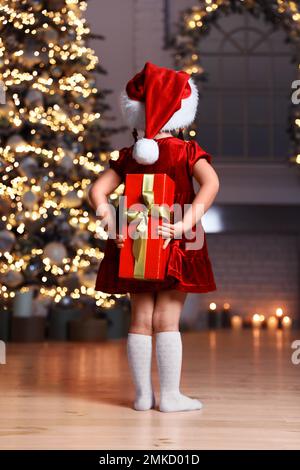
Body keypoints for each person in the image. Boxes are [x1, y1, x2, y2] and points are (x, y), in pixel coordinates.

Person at [89, 62, 219, 412]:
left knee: (141, 317)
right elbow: (211, 184)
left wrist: (113, 223)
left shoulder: (130, 156)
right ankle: (170, 397)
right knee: (167, 319)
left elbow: (97, 192)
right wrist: (183, 224)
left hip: (135, 239)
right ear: (180, 108)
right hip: (175, 238)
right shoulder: (187, 151)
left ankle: (143, 395)